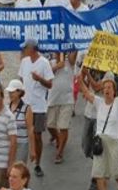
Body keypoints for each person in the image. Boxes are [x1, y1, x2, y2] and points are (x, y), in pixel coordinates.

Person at [78, 71, 118, 190]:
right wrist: (80, 77)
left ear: (114, 91)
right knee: (98, 170)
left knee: (115, 169)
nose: (107, 90)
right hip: (100, 140)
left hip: (114, 140)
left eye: (109, 88)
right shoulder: (98, 102)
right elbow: (85, 91)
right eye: (105, 87)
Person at [18, 39, 54, 177]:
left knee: (37, 135)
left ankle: (38, 163)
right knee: (24, 134)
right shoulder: (24, 61)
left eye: (25, 48)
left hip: (39, 105)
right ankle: (23, 161)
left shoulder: (44, 63)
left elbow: (50, 84)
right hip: (26, 103)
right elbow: (21, 79)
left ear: (32, 48)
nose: (24, 51)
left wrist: (39, 79)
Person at [46, 52, 76, 164]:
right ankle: (57, 137)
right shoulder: (50, 63)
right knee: (50, 125)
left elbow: (74, 53)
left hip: (67, 99)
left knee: (63, 126)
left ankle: (60, 152)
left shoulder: (70, 62)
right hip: (53, 99)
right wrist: (56, 67)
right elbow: (45, 76)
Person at [6, 79, 35, 165]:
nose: (10, 94)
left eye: (12, 92)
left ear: (19, 92)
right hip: (9, 143)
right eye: (9, 92)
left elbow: (30, 129)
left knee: (19, 169)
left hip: (22, 144)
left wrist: (32, 149)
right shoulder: (6, 108)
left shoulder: (27, 108)